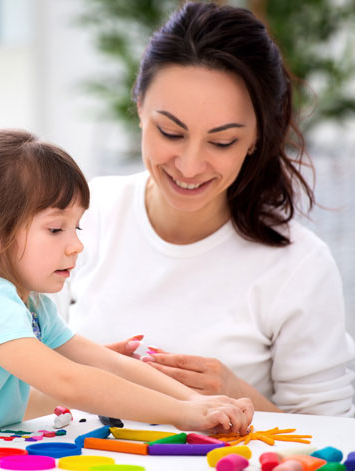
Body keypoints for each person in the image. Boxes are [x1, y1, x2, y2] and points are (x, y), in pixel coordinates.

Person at [0, 130, 253, 471]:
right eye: (56, 228)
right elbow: (72, 381)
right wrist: (187, 414)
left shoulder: (28, 303)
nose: (76, 245)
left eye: (76, 226)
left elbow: (107, 362)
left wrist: (199, 401)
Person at [54, 2, 355, 416]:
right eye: (171, 132)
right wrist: (87, 381)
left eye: (222, 142)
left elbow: (333, 438)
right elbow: (1, 384)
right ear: (140, 108)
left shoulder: (297, 266)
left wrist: (238, 395)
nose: (190, 165)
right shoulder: (79, 217)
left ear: (255, 138)